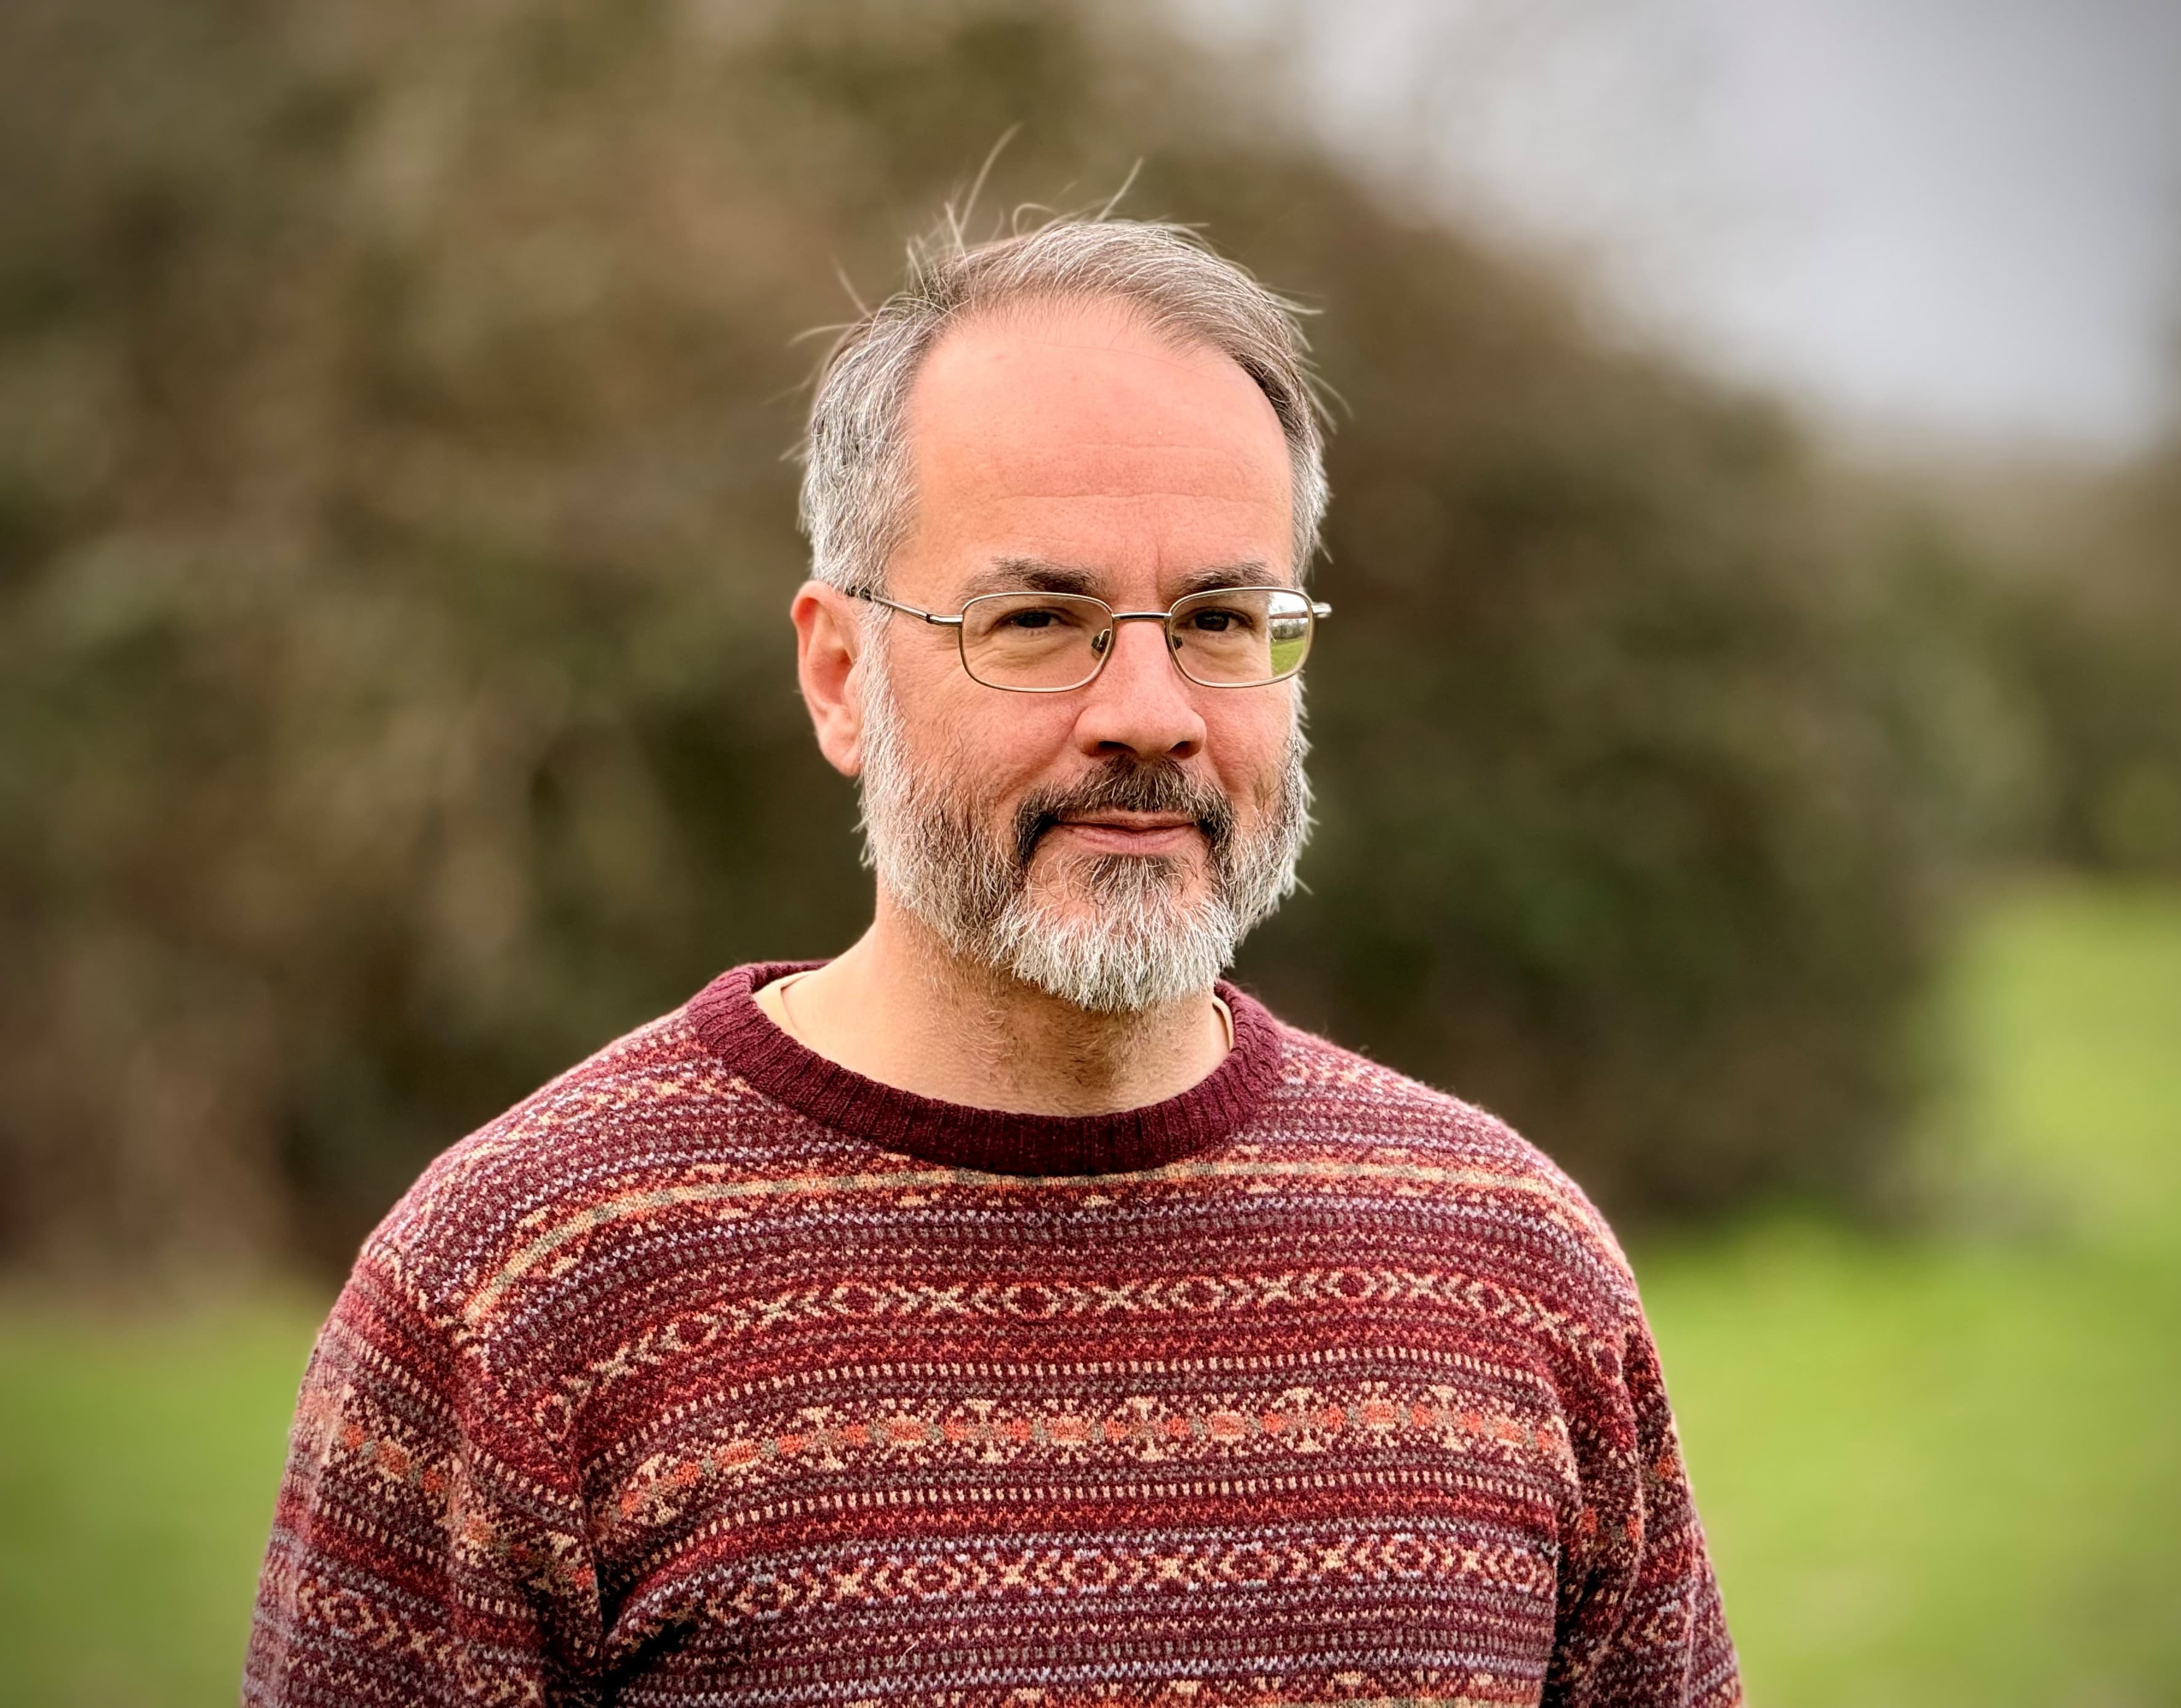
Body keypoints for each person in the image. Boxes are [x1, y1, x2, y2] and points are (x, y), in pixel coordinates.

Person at [244, 217, 1741, 1707]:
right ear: (841, 676)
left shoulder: (1513, 1269)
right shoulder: (518, 1289)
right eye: (1040, 619)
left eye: (1223, 618)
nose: (1151, 710)